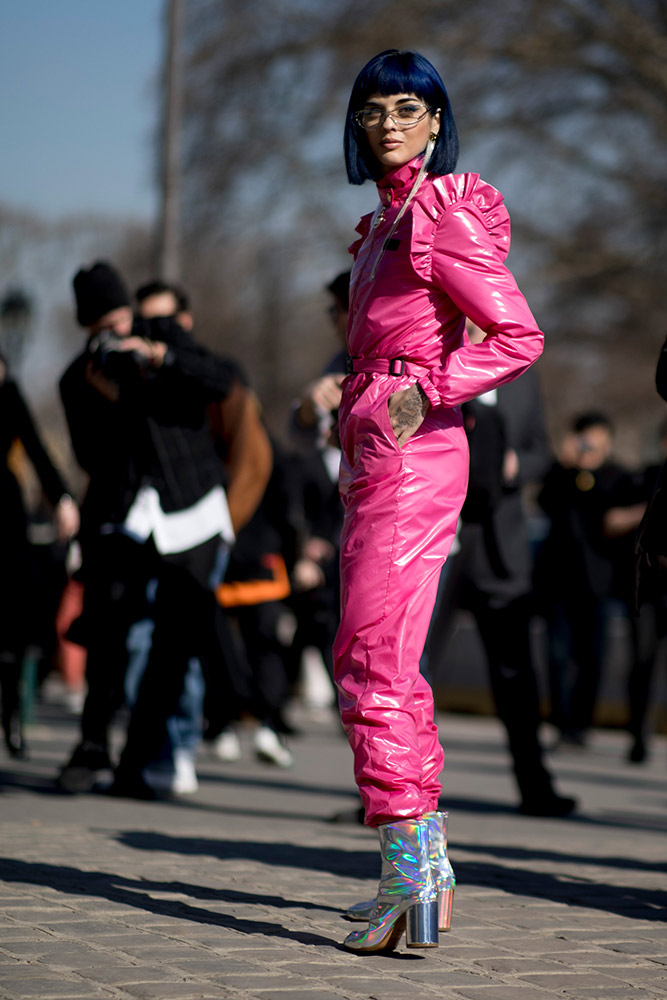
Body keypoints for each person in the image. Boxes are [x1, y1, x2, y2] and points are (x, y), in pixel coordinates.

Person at [333, 49, 544, 953]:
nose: (386, 122)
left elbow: (517, 333)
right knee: (379, 657)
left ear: (433, 120)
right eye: (372, 108)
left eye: (406, 108)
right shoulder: (383, 223)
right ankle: (422, 871)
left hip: (416, 454)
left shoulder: (437, 213)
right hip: (380, 449)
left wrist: (428, 388)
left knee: (372, 663)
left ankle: (409, 873)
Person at [57, 262, 239, 797]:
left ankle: (151, 755)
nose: (113, 332)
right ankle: (95, 746)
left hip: (192, 510)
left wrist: (159, 357)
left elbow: (222, 380)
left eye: (118, 318)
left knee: (176, 639)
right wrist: (110, 398)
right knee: (112, 630)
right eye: (100, 326)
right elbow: (91, 457)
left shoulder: (160, 338)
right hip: (127, 517)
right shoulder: (78, 377)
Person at [425, 322, 576, 817]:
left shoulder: (522, 371)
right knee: (412, 666)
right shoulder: (429, 351)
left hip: (501, 543)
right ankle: (393, 798)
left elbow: (541, 449)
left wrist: (516, 463)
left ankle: (535, 785)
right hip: (440, 536)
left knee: (516, 673)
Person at [0, 352, 79, 758]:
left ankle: (12, 718)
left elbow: (35, 446)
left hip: (6, 517)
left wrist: (63, 498)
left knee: (11, 629)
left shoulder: (9, 392)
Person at [535, 412, 627, 747]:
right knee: (557, 655)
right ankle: (561, 723)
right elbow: (546, 502)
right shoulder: (561, 474)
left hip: (597, 582)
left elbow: (615, 515)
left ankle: (582, 724)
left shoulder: (616, 477)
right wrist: (566, 464)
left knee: (592, 657)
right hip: (559, 580)